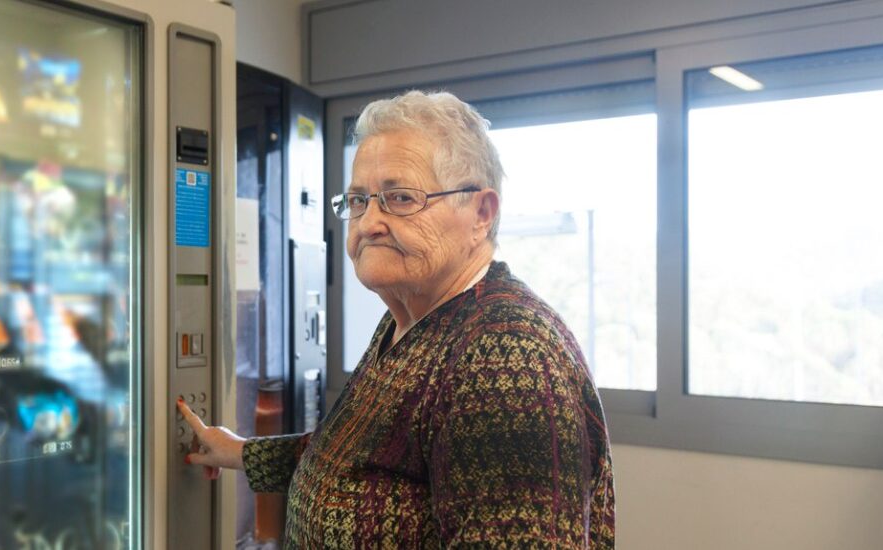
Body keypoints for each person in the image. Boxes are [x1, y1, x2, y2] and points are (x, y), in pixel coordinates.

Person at [178, 90, 615, 548]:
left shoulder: (507, 354)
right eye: (358, 200)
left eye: (400, 198)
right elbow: (353, 456)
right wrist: (241, 452)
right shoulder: (409, 319)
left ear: (481, 215)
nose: (368, 223)